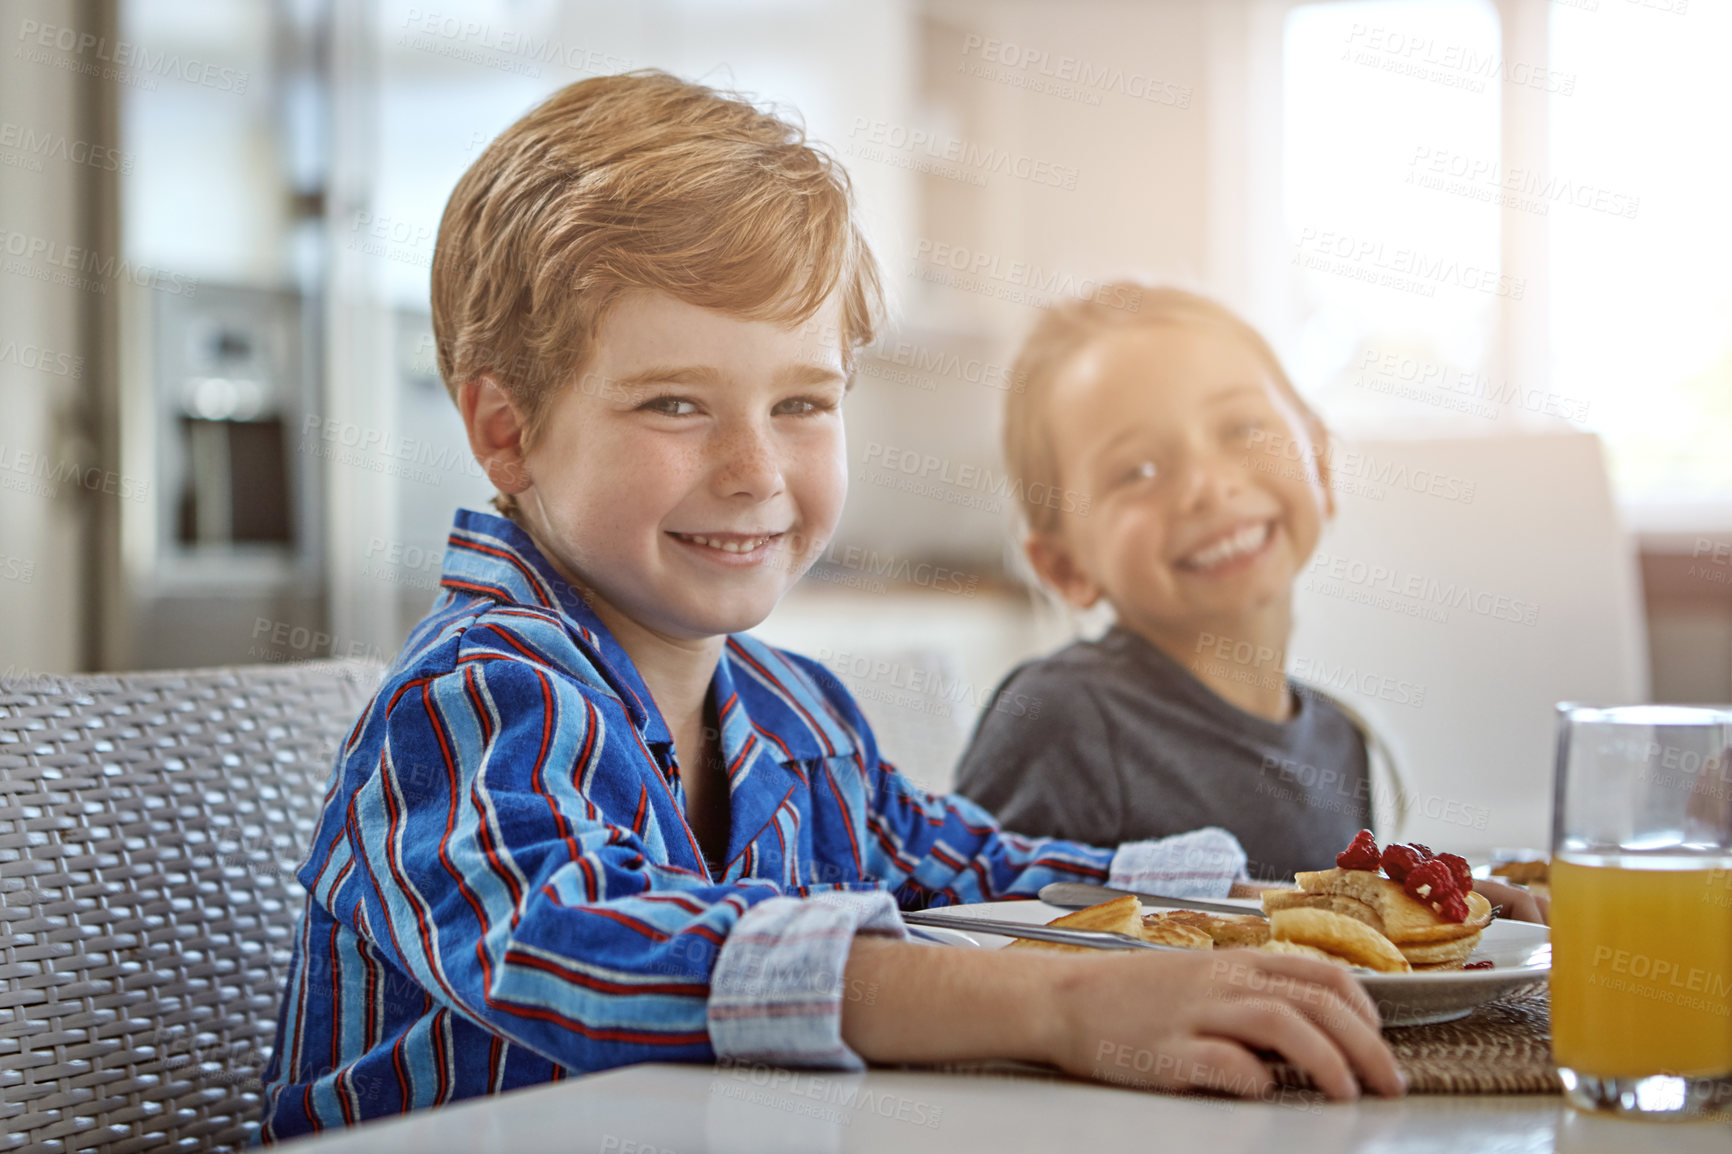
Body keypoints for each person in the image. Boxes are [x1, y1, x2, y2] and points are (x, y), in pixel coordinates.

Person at [257, 74, 1402, 1141]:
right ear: (508, 432)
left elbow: (982, 870)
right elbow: (585, 946)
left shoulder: (798, 717)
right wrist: (1057, 998)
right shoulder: (475, 698)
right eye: (673, 403)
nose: (755, 468)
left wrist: (1307, 905)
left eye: (802, 401)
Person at [951, 288, 1548, 919]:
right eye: (1138, 471)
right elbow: (975, 942)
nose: (1208, 485)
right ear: (1065, 566)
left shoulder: (1343, 738)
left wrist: (1439, 911)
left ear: (1319, 458)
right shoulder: (1063, 720)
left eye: (1241, 428)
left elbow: (1338, 946)